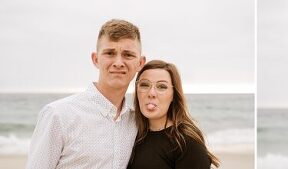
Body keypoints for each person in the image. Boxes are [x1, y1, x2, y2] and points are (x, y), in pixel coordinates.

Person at [27, 19, 146, 169]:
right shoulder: (58, 115)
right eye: (110, 53)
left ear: (140, 63)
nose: (118, 62)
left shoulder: (136, 122)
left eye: (128, 55)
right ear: (96, 59)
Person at [127, 60, 220, 168]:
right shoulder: (132, 134)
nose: (151, 93)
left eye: (162, 87)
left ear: (173, 95)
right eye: (144, 85)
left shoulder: (186, 143)